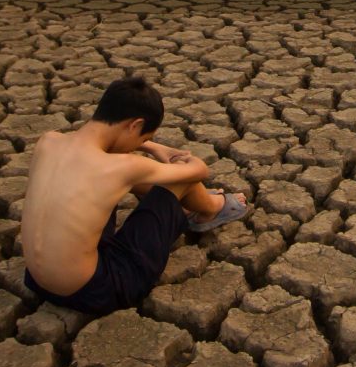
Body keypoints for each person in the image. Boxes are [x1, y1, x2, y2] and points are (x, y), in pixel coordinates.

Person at [20, 74, 248, 314]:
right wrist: (170, 155)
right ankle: (211, 208)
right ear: (135, 125)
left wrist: (148, 144)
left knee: (117, 181)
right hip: (96, 290)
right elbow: (198, 170)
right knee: (180, 180)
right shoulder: (123, 167)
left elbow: (104, 145)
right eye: (144, 136)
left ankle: (186, 205)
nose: (143, 143)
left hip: (37, 281)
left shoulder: (49, 141)